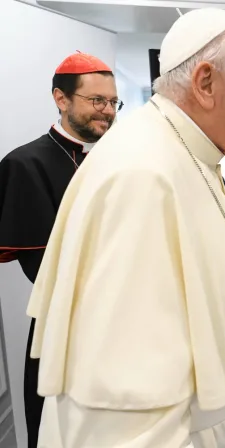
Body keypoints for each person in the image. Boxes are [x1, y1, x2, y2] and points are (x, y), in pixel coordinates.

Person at [25, 9, 225, 447]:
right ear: (205, 83)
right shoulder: (142, 176)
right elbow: (123, 419)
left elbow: (172, 287)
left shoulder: (185, 150)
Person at [0, 51, 118, 448]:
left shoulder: (120, 158)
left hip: (125, 324)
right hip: (65, 329)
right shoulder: (25, 163)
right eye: (97, 101)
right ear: (61, 98)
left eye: (113, 102)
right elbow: (44, 269)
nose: (107, 111)